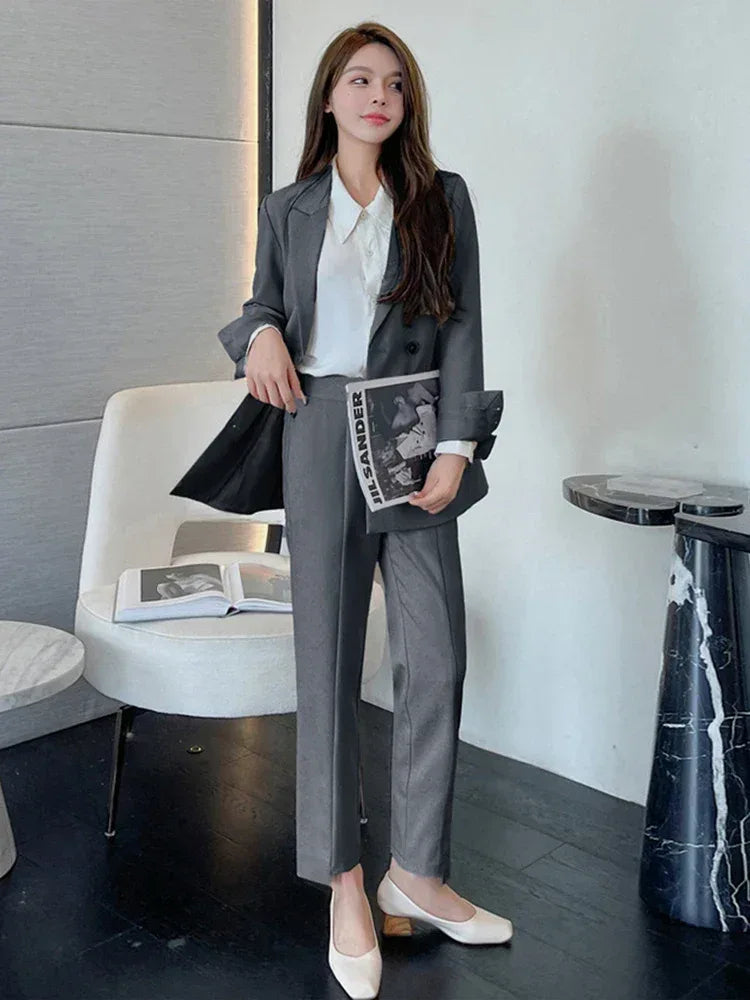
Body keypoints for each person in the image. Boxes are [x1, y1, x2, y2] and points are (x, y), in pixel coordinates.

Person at [218, 21, 510, 999]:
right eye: (358, 78)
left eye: (393, 81)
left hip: (412, 430)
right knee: (330, 659)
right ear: (331, 98)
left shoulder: (441, 198)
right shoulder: (289, 205)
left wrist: (459, 442)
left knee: (435, 654)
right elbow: (264, 302)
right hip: (314, 429)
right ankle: (346, 878)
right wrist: (257, 332)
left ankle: (416, 871)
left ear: (405, 101)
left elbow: (463, 321)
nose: (377, 93)